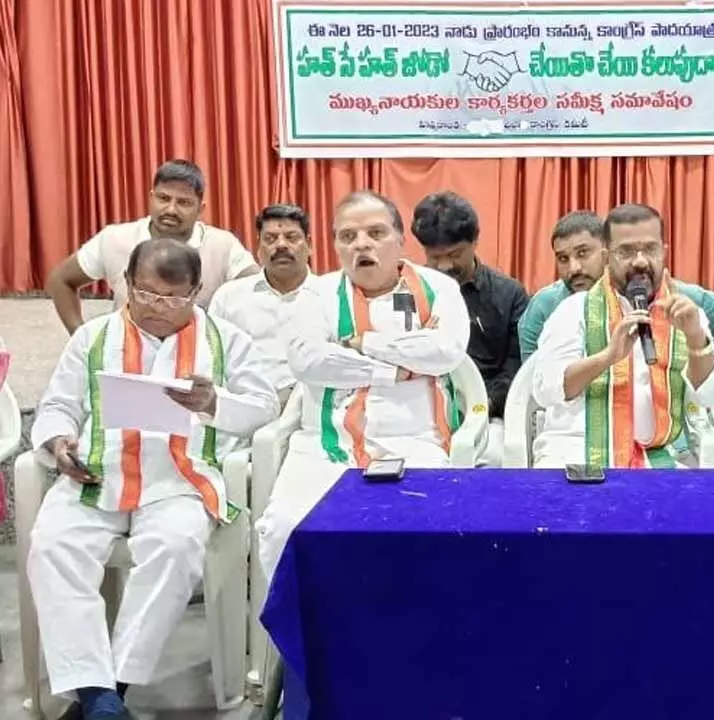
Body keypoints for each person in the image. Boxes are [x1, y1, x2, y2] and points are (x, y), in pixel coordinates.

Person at [27, 239, 278, 720]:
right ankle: (95, 691)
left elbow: (264, 409)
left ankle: (107, 691)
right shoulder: (94, 338)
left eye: (173, 298)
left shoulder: (225, 341)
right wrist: (59, 443)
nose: (158, 308)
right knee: (52, 545)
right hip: (97, 472)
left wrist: (214, 403)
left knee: (175, 548)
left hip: (179, 480)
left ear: (197, 292)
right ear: (126, 284)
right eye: (146, 294)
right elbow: (58, 405)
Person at [255, 190, 470, 579]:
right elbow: (310, 362)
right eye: (348, 236)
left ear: (401, 240)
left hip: (415, 440)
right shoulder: (315, 294)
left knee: (426, 534)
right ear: (335, 245)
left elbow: (446, 352)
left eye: (375, 233)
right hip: (323, 445)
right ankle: (306, 639)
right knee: (282, 529)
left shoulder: (439, 288)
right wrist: (398, 369)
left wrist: (361, 343)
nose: (362, 245)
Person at [531, 203, 714, 468]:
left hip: (659, 455)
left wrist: (694, 337)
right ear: (606, 256)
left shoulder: (685, 312)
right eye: (625, 251)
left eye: (650, 249)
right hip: (575, 451)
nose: (639, 261)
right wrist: (607, 357)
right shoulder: (573, 310)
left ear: (663, 252)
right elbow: (547, 391)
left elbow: (711, 396)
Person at [46, 160, 259, 334]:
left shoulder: (223, 245)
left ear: (200, 209)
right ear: (151, 198)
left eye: (184, 202)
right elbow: (61, 280)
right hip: (126, 356)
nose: (171, 210)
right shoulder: (115, 238)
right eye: (163, 198)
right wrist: (81, 337)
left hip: (198, 361)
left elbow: (258, 289)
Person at [519, 210, 714, 361]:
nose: (574, 268)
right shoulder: (545, 305)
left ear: (608, 252)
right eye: (563, 258)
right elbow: (530, 376)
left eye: (583, 253)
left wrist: (712, 365)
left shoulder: (672, 294)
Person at [411, 191, 526, 467]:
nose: (444, 266)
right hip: (421, 409)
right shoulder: (407, 294)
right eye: (434, 257)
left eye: (455, 254)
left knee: (494, 458)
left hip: (488, 411)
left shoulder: (508, 294)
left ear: (475, 241)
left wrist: (478, 403)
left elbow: (516, 369)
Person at [208, 204, 322, 402]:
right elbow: (212, 359)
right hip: (248, 405)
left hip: (314, 408)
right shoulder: (229, 297)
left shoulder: (328, 295)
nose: (281, 245)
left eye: (291, 237)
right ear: (258, 247)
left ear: (309, 245)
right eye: (270, 239)